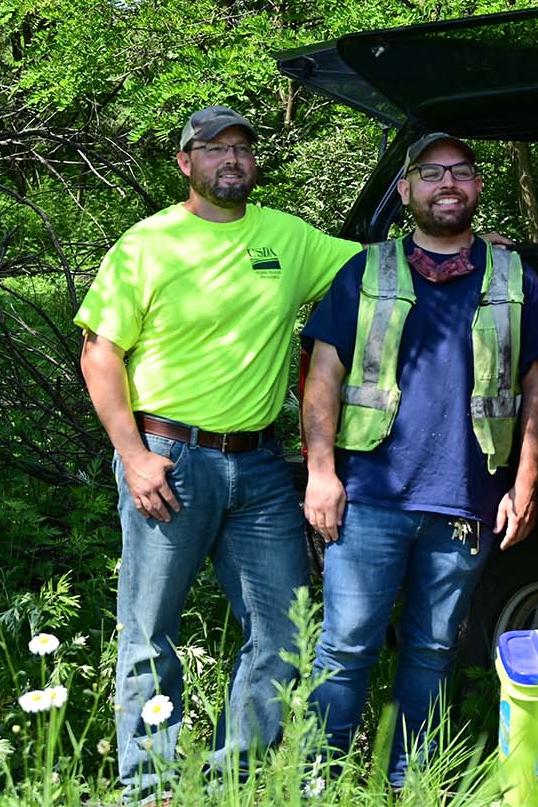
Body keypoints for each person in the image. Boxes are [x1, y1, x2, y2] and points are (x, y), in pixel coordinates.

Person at [75, 106, 360, 799]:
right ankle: (152, 789)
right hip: (170, 459)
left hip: (261, 468)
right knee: (150, 635)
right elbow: (99, 353)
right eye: (213, 149)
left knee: (282, 633)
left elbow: (381, 270)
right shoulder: (147, 244)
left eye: (242, 148)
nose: (231, 159)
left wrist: (476, 244)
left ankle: (240, 780)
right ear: (185, 162)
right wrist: (135, 457)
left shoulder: (288, 238)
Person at [299, 132, 538, 787]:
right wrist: (321, 473)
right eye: (432, 172)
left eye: (462, 172)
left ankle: (407, 786)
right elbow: (323, 372)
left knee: (433, 654)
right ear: (408, 190)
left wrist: (524, 484)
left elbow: (537, 384)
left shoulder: (512, 276)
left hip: (466, 504)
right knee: (344, 647)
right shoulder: (366, 271)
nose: (448, 183)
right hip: (370, 500)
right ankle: (314, 784)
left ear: (476, 188)